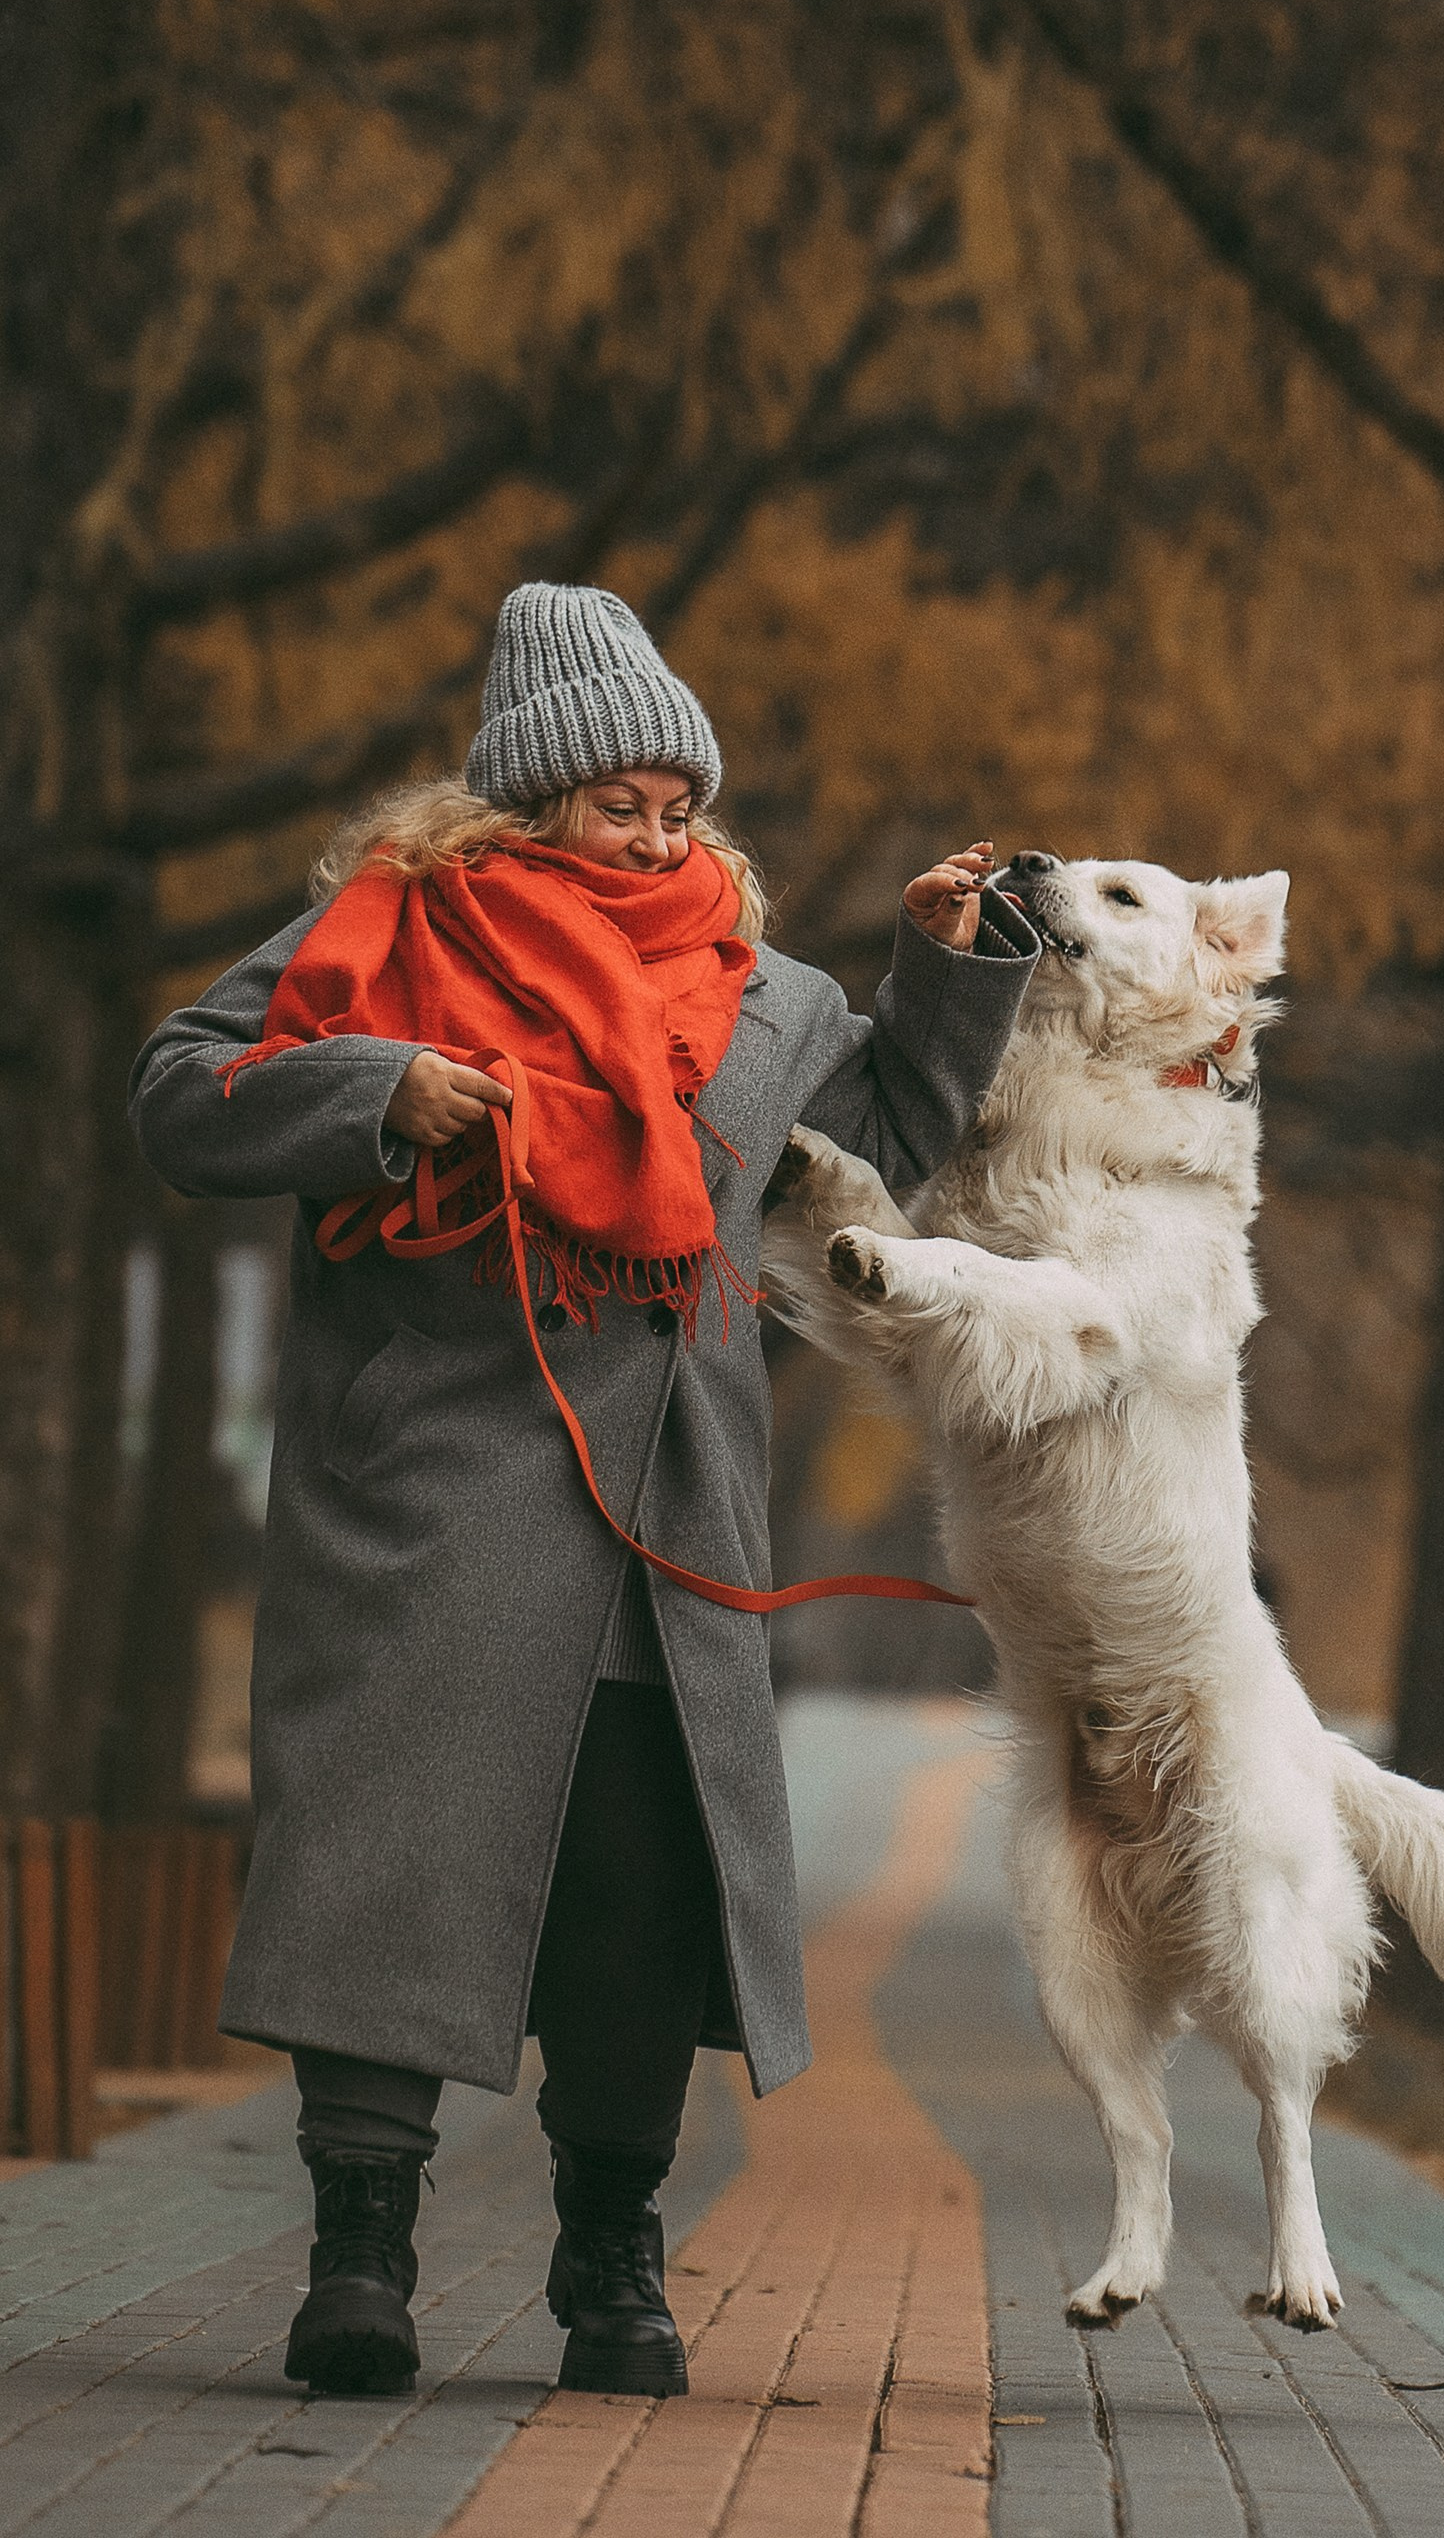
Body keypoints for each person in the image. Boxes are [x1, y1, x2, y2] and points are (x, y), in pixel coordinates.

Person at [129, 581, 1038, 2399]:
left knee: (637, 1890)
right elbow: (180, 1090)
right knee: (384, 1868)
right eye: (620, 799)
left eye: (676, 798)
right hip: (430, 1482)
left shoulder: (767, 996)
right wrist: (381, 1090)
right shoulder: (383, 928)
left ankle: (612, 2264)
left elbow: (897, 1147)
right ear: (527, 797)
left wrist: (949, 966)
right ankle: (358, 2264)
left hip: (668, 1514)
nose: (660, 828)